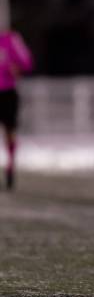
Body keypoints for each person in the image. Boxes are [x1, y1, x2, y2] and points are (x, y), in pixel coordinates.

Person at [0, 30, 33, 190]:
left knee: (9, 131)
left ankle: (10, 165)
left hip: (6, 93)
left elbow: (26, 61)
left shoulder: (10, 40)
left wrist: (17, 66)